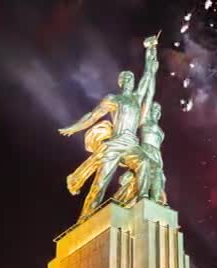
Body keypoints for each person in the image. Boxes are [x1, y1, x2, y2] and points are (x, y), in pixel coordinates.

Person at [59, 34, 159, 220]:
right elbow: (93, 115)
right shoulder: (114, 99)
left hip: (131, 145)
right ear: (121, 83)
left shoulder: (137, 99)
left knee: (145, 163)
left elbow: (148, 75)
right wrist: (74, 128)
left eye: (131, 78)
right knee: (100, 182)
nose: (130, 80)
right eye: (126, 78)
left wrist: (150, 50)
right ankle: (85, 218)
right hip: (116, 143)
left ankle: (144, 197)